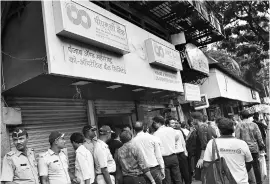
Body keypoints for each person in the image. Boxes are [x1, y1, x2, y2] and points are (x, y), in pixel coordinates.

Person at [203, 117, 253, 184]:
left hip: (221, 181)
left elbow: (206, 164)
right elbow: (249, 164)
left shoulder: (211, 143)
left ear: (219, 130)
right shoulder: (242, 143)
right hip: (241, 181)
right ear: (233, 129)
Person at [235, 110, 265, 184]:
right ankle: (259, 182)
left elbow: (237, 138)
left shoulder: (239, 125)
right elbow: (259, 137)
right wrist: (262, 147)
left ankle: (249, 181)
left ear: (241, 116)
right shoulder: (254, 125)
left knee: (245, 167)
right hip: (254, 148)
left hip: (243, 150)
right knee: (256, 166)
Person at [152, 116, 182, 184]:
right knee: (177, 177)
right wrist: (173, 143)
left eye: (154, 123)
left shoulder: (156, 134)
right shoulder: (171, 129)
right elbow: (177, 136)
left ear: (158, 123)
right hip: (174, 156)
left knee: (167, 179)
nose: (154, 124)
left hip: (164, 158)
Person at [167, 118, 190, 184]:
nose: (174, 124)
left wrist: (185, 152)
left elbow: (183, 142)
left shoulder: (179, 131)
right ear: (168, 125)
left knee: (185, 172)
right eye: (172, 123)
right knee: (176, 174)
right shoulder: (167, 133)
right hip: (173, 155)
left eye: (174, 123)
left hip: (181, 154)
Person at [188, 112, 208, 181]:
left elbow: (204, 145)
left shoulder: (201, 129)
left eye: (193, 119)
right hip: (207, 154)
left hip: (204, 155)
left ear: (196, 119)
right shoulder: (206, 126)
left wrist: (201, 158)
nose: (192, 121)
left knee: (204, 177)